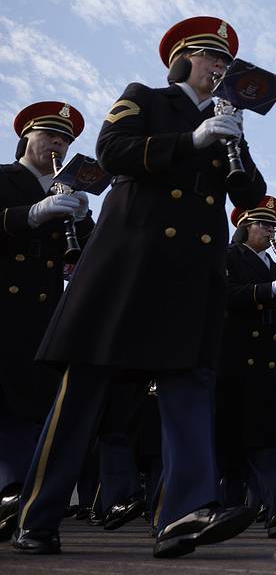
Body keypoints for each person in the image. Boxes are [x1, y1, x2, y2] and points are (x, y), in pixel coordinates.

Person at [10, 16, 268, 557]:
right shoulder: (145, 98)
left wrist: (234, 142)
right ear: (181, 60)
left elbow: (249, 191)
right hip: (131, 265)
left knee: (190, 390)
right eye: (209, 57)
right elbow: (114, 150)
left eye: (225, 62)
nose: (220, 67)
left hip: (191, 276)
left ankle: (182, 513)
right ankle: (38, 514)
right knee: (82, 392)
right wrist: (190, 139)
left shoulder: (225, 119)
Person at [0, 102, 93, 540]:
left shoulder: (65, 190)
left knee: (33, 407)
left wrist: (87, 220)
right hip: (3, 304)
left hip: (43, 312)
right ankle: (14, 492)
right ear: (27, 139)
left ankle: (24, 503)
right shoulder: (5, 178)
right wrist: (30, 215)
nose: (59, 145)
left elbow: (89, 258)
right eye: (51, 136)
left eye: (66, 140)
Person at [217, 196, 276, 537]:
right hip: (235, 362)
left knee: (268, 439)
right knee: (231, 445)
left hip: (266, 367)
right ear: (244, 227)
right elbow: (228, 295)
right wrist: (273, 288)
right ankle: (229, 508)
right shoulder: (228, 256)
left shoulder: (274, 265)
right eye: (264, 225)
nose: (270, 231)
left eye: (274, 226)